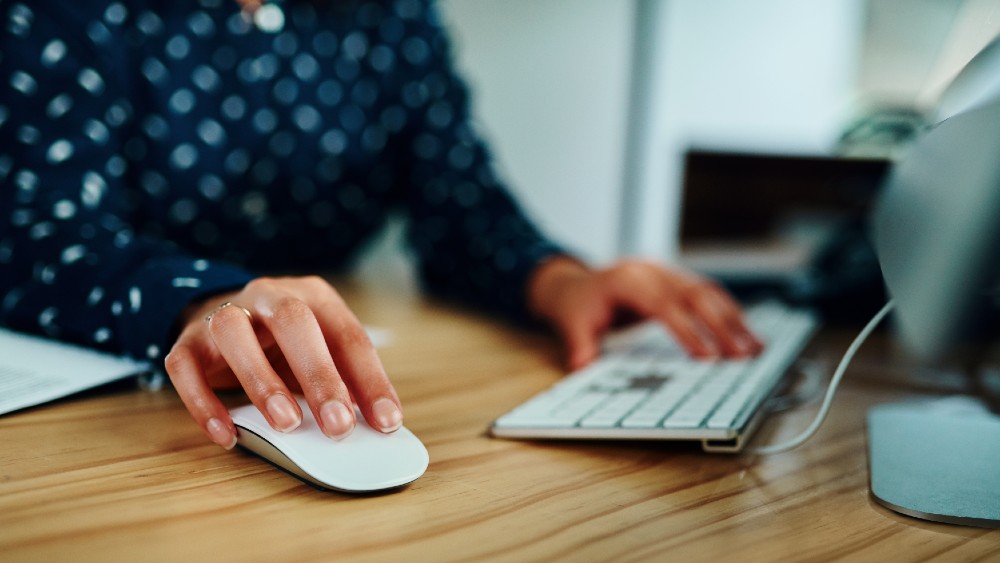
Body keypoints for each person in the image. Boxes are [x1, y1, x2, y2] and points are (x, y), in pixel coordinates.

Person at [0, 0, 762, 450]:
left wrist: (560, 278)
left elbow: (460, 203)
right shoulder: (68, 14)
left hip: (327, 389)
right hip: (116, 418)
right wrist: (202, 301)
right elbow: (42, 237)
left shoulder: (393, 15)